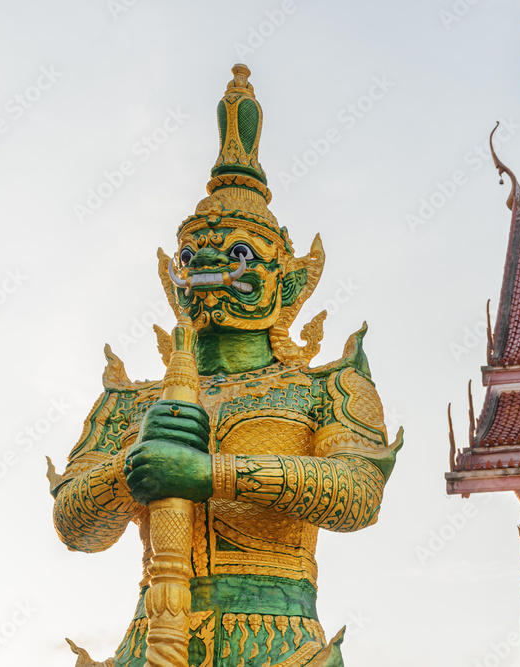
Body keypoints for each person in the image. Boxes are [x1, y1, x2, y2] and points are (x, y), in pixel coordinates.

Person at [50, 64, 401, 667]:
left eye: (239, 253)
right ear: (176, 274)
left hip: (273, 639)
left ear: (287, 280)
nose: (209, 261)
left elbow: (358, 494)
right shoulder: (133, 403)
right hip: (152, 636)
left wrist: (207, 473)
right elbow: (75, 524)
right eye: (193, 252)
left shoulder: (327, 388)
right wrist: (130, 473)